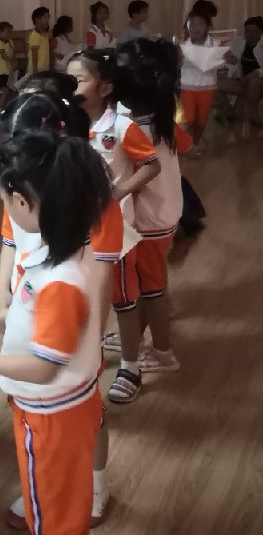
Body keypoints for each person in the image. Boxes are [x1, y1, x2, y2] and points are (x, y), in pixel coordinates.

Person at [0, 128, 112, 535]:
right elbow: (33, 310)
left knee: (52, 515)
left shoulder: (61, 279)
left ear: (23, 202)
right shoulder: (64, 247)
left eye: (3, 199)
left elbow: (43, 367)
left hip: (52, 414)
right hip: (63, 406)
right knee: (61, 502)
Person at [0, 89, 122, 529]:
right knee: (43, 427)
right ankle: (49, 488)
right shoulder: (20, 187)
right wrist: (2, 294)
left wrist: (91, 339)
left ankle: (91, 487)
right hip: (33, 304)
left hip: (71, 324)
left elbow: (100, 276)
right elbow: (10, 241)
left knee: (82, 416)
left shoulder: (90, 200)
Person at [67, 49, 161, 403]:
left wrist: (119, 192)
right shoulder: (69, 124)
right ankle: (86, 351)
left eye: (78, 79)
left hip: (116, 232)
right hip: (78, 230)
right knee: (83, 293)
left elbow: (152, 165)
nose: (71, 86)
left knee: (124, 299)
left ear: (105, 88)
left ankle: (131, 366)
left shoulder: (121, 126)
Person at [116, 38, 190, 377]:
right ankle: (138, 335)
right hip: (167, 213)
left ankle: (163, 352)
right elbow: (186, 143)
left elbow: (132, 176)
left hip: (150, 222)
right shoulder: (162, 121)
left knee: (153, 289)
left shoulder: (133, 132)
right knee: (150, 284)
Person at [178, 5, 237, 156]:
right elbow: (175, 63)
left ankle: (196, 144)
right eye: (192, 24)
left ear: (208, 27)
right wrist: (178, 58)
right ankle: (188, 145)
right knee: (188, 119)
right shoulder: (183, 46)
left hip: (207, 87)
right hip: (188, 86)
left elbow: (233, 59)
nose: (195, 28)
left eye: (200, 24)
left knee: (201, 120)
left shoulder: (217, 45)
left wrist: (228, 59)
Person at [219, 16, 263, 137]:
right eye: (247, 31)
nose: (249, 34)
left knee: (254, 82)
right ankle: (229, 112)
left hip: (258, 81)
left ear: (261, 32)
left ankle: (254, 116)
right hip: (242, 80)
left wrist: (255, 73)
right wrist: (228, 60)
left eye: (253, 31)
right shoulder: (238, 43)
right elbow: (223, 53)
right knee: (214, 83)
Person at [0, 21, 16, 113]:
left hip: (8, 70)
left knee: (6, 88)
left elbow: (13, 53)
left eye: (10, 32)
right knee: (2, 89)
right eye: (7, 32)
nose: (9, 34)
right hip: (1, 70)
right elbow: (3, 55)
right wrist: (11, 60)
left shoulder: (10, 42)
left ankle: (0, 105)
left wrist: (14, 62)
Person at [28, 7, 52, 74]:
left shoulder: (45, 35)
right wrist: (35, 70)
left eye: (48, 18)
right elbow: (34, 54)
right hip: (37, 71)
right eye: (45, 18)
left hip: (44, 70)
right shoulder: (35, 35)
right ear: (37, 19)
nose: (47, 20)